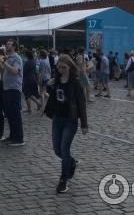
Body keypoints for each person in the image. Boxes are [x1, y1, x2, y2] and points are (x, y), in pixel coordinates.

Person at [44, 54, 88, 194]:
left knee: (64, 149)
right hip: (57, 119)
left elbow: (81, 104)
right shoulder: (56, 80)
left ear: (70, 67)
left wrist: (84, 124)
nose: (61, 69)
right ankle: (71, 162)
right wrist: (49, 86)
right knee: (57, 150)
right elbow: (52, 96)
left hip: (70, 120)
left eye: (63, 67)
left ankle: (64, 180)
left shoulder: (75, 83)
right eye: (59, 67)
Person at [2, 40, 24, 147]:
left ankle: (19, 138)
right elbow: (3, 70)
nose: (6, 45)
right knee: (9, 114)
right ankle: (12, 135)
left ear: (14, 46)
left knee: (15, 114)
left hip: (14, 89)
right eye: (7, 44)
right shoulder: (8, 57)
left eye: (9, 44)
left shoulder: (16, 58)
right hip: (7, 88)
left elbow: (15, 71)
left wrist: (4, 63)